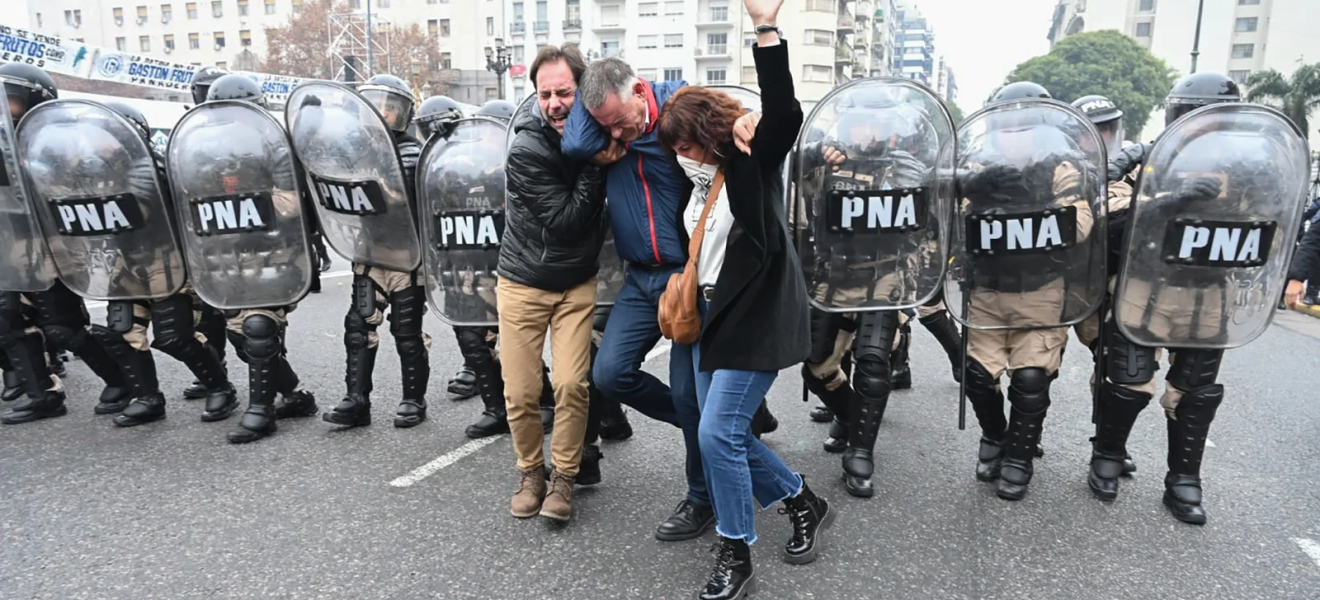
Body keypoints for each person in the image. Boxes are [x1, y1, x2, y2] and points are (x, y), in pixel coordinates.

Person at [656, 3, 833, 596]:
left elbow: (783, 110)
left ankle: (737, 552)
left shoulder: (749, 159)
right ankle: (801, 498)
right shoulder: (698, 184)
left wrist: (765, 29)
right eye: (674, 147)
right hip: (711, 316)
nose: (681, 155)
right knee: (723, 432)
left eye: (685, 143)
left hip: (755, 315)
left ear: (706, 133)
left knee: (716, 436)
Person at [563, 24, 762, 543]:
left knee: (693, 397)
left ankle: (700, 496)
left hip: (685, 278)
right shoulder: (604, 133)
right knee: (609, 374)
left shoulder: (675, 120)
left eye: (624, 122)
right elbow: (574, 142)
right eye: (607, 125)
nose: (619, 134)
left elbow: (739, 126)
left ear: (640, 90)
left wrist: (749, 123)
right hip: (638, 279)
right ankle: (725, 432)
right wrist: (607, 126)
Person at [1089, 73, 1250, 524]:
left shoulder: (1248, 174)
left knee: (1195, 393)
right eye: (1193, 116)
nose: (1203, 127)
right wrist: (1161, 201)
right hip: (1145, 290)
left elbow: (1266, 234)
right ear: (1176, 116)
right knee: (1128, 382)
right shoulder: (1141, 165)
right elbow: (1106, 230)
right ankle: (1107, 453)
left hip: (1207, 295)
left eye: (1215, 118)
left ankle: (1183, 480)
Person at [957, 81, 1097, 501]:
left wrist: (1031, 212)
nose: (1014, 134)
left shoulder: (1061, 168)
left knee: (1031, 379)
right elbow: (950, 223)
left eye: (1024, 127)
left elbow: (1081, 221)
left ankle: (1019, 457)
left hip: (1040, 291)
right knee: (977, 376)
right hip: (986, 290)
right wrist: (971, 194)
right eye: (1007, 127)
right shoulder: (975, 169)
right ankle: (996, 435)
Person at [499, 44, 609, 522]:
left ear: (582, 92)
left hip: (576, 284)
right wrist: (596, 162)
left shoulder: (606, 125)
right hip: (523, 281)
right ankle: (530, 472)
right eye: (545, 95)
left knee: (570, 384)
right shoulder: (526, 147)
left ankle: (563, 477)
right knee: (522, 392)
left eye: (563, 92)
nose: (554, 103)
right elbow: (565, 220)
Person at [182, 75, 320, 443]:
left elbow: (290, 204)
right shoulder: (205, 151)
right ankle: (295, 394)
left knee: (259, 328)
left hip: (274, 251)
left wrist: (242, 199)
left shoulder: (274, 147)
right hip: (229, 255)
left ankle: (261, 413)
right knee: (239, 335)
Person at [0, 63, 130, 424]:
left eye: (9, 99)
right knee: (6, 322)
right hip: (10, 251)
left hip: (54, 249)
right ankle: (43, 394)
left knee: (63, 327)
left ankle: (121, 379)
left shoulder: (57, 142)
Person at [322, 74, 432, 430]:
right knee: (358, 325)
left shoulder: (412, 152)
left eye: (390, 106)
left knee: (406, 330)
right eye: (375, 104)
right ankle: (357, 401)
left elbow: (404, 188)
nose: (382, 112)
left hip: (406, 255)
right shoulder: (351, 152)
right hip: (369, 252)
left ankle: (413, 400)